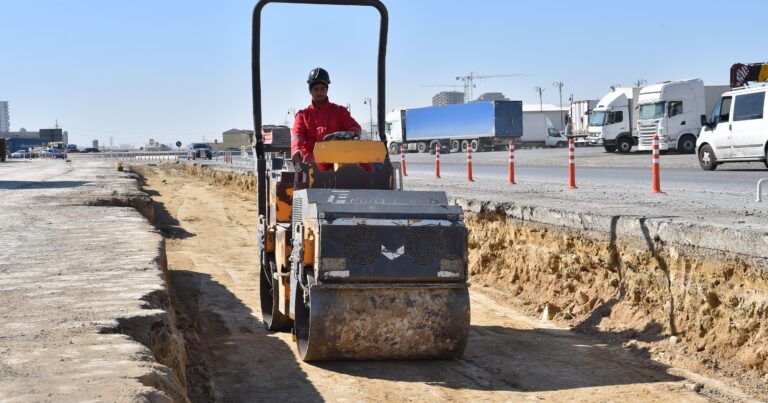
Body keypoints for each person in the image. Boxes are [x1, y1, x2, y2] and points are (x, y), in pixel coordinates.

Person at [291, 67, 362, 164]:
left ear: (327, 89)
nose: (319, 92)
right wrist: (296, 150)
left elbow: (355, 128)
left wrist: (351, 136)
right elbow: (297, 135)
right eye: (316, 89)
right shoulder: (302, 115)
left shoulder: (340, 112)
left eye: (322, 88)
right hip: (311, 165)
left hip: (338, 160)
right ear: (310, 91)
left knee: (365, 166)